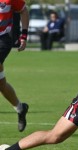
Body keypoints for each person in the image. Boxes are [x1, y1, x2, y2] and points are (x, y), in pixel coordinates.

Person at [0, 0, 29, 132]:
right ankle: (20, 108)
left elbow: (23, 10)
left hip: (3, 39)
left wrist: (24, 35)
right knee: (1, 84)